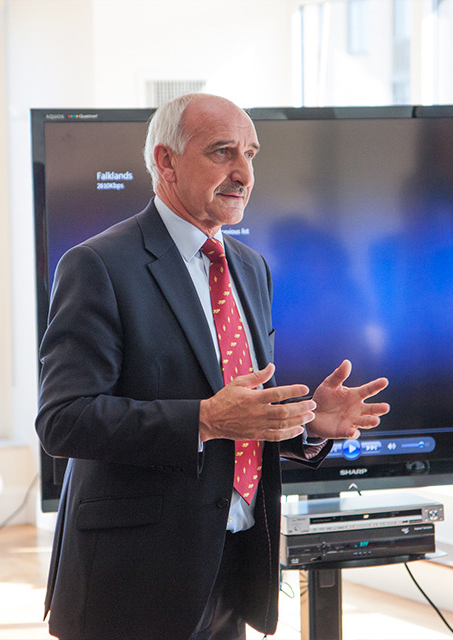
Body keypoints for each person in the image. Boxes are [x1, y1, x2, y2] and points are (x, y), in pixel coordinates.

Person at [36, 93, 389, 640]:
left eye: (251, 154)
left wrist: (305, 422)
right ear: (166, 161)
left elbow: (240, 412)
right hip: (133, 576)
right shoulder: (97, 265)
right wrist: (204, 419)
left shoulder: (250, 266)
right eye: (223, 152)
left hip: (232, 561)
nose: (244, 174)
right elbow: (64, 420)